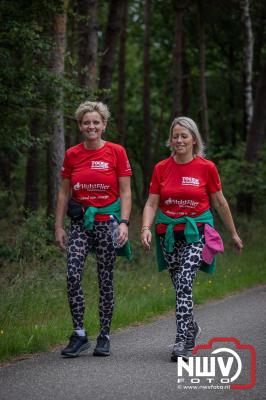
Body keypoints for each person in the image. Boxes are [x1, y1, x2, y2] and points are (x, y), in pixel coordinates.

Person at [141, 116, 243, 362]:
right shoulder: (161, 168)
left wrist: (233, 233)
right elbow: (153, 202)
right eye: (175, 136)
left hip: (197, 233)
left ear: (194, 139)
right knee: (180, 288)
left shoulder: (206, 167)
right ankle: (191, 328)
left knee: (185, 283)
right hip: (168, 234)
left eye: (184, 136)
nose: (179, 140)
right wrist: (145, 227)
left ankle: (181, 342)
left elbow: (219, 201)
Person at [55, 101, 132, 358]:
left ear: (104, 125)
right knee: (72, 275)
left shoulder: (116, 152)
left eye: (96, 122)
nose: (91, 126)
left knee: (105, 280)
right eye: (86, 122)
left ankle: (104, 336)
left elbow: (125, 191)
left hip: (107, 224)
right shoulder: (72, 154)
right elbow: (64, 192)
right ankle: (79, 334)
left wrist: (124, 222)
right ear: (80, 125)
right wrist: (58, 226)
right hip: (79, 225)